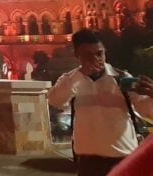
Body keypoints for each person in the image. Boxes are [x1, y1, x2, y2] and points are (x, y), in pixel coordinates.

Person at [47, 28, 153, 176]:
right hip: (87, 162)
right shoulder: (71, 80)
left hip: (121, 159)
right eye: (88, 55)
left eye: (99, 53)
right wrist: (80, 76)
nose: (96, 59)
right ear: (77, 55)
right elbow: (55, 100)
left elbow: (147, 111)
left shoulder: (121, 78)